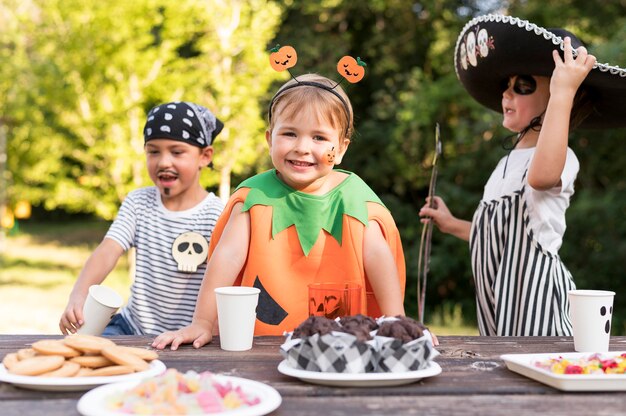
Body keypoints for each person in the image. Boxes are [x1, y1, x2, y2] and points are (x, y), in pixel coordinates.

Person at [152, 73, 406, 350]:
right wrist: (202, 321)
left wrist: (396, 321)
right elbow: (227, 256)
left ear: (342, 149)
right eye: (289, 134)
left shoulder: (355, 199)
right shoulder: (254, 197)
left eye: (319, 137)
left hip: (345, 343)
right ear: (270, 138)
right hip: (263, 344)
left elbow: (378, 256)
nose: (302, 147)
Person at [420, 15, 626, 336]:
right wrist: (453, 225)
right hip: (498, 304)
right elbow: (498, 233)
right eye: (507, 85)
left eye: (523, 86)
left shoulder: (562, 159)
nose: (507, 94)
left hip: (537, 305)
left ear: (565, 97)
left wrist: (562, 91)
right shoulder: (507, 163)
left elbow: (541, 178)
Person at [59, 101, 225, 336]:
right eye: (153, 151)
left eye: (177, 152)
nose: (164, 162)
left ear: (205, 156)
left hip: (187, 334)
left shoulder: (218, 215)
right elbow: (108, 250)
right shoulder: (139, 203)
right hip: (131, 328)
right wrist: (79, 293)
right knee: (86, 355)